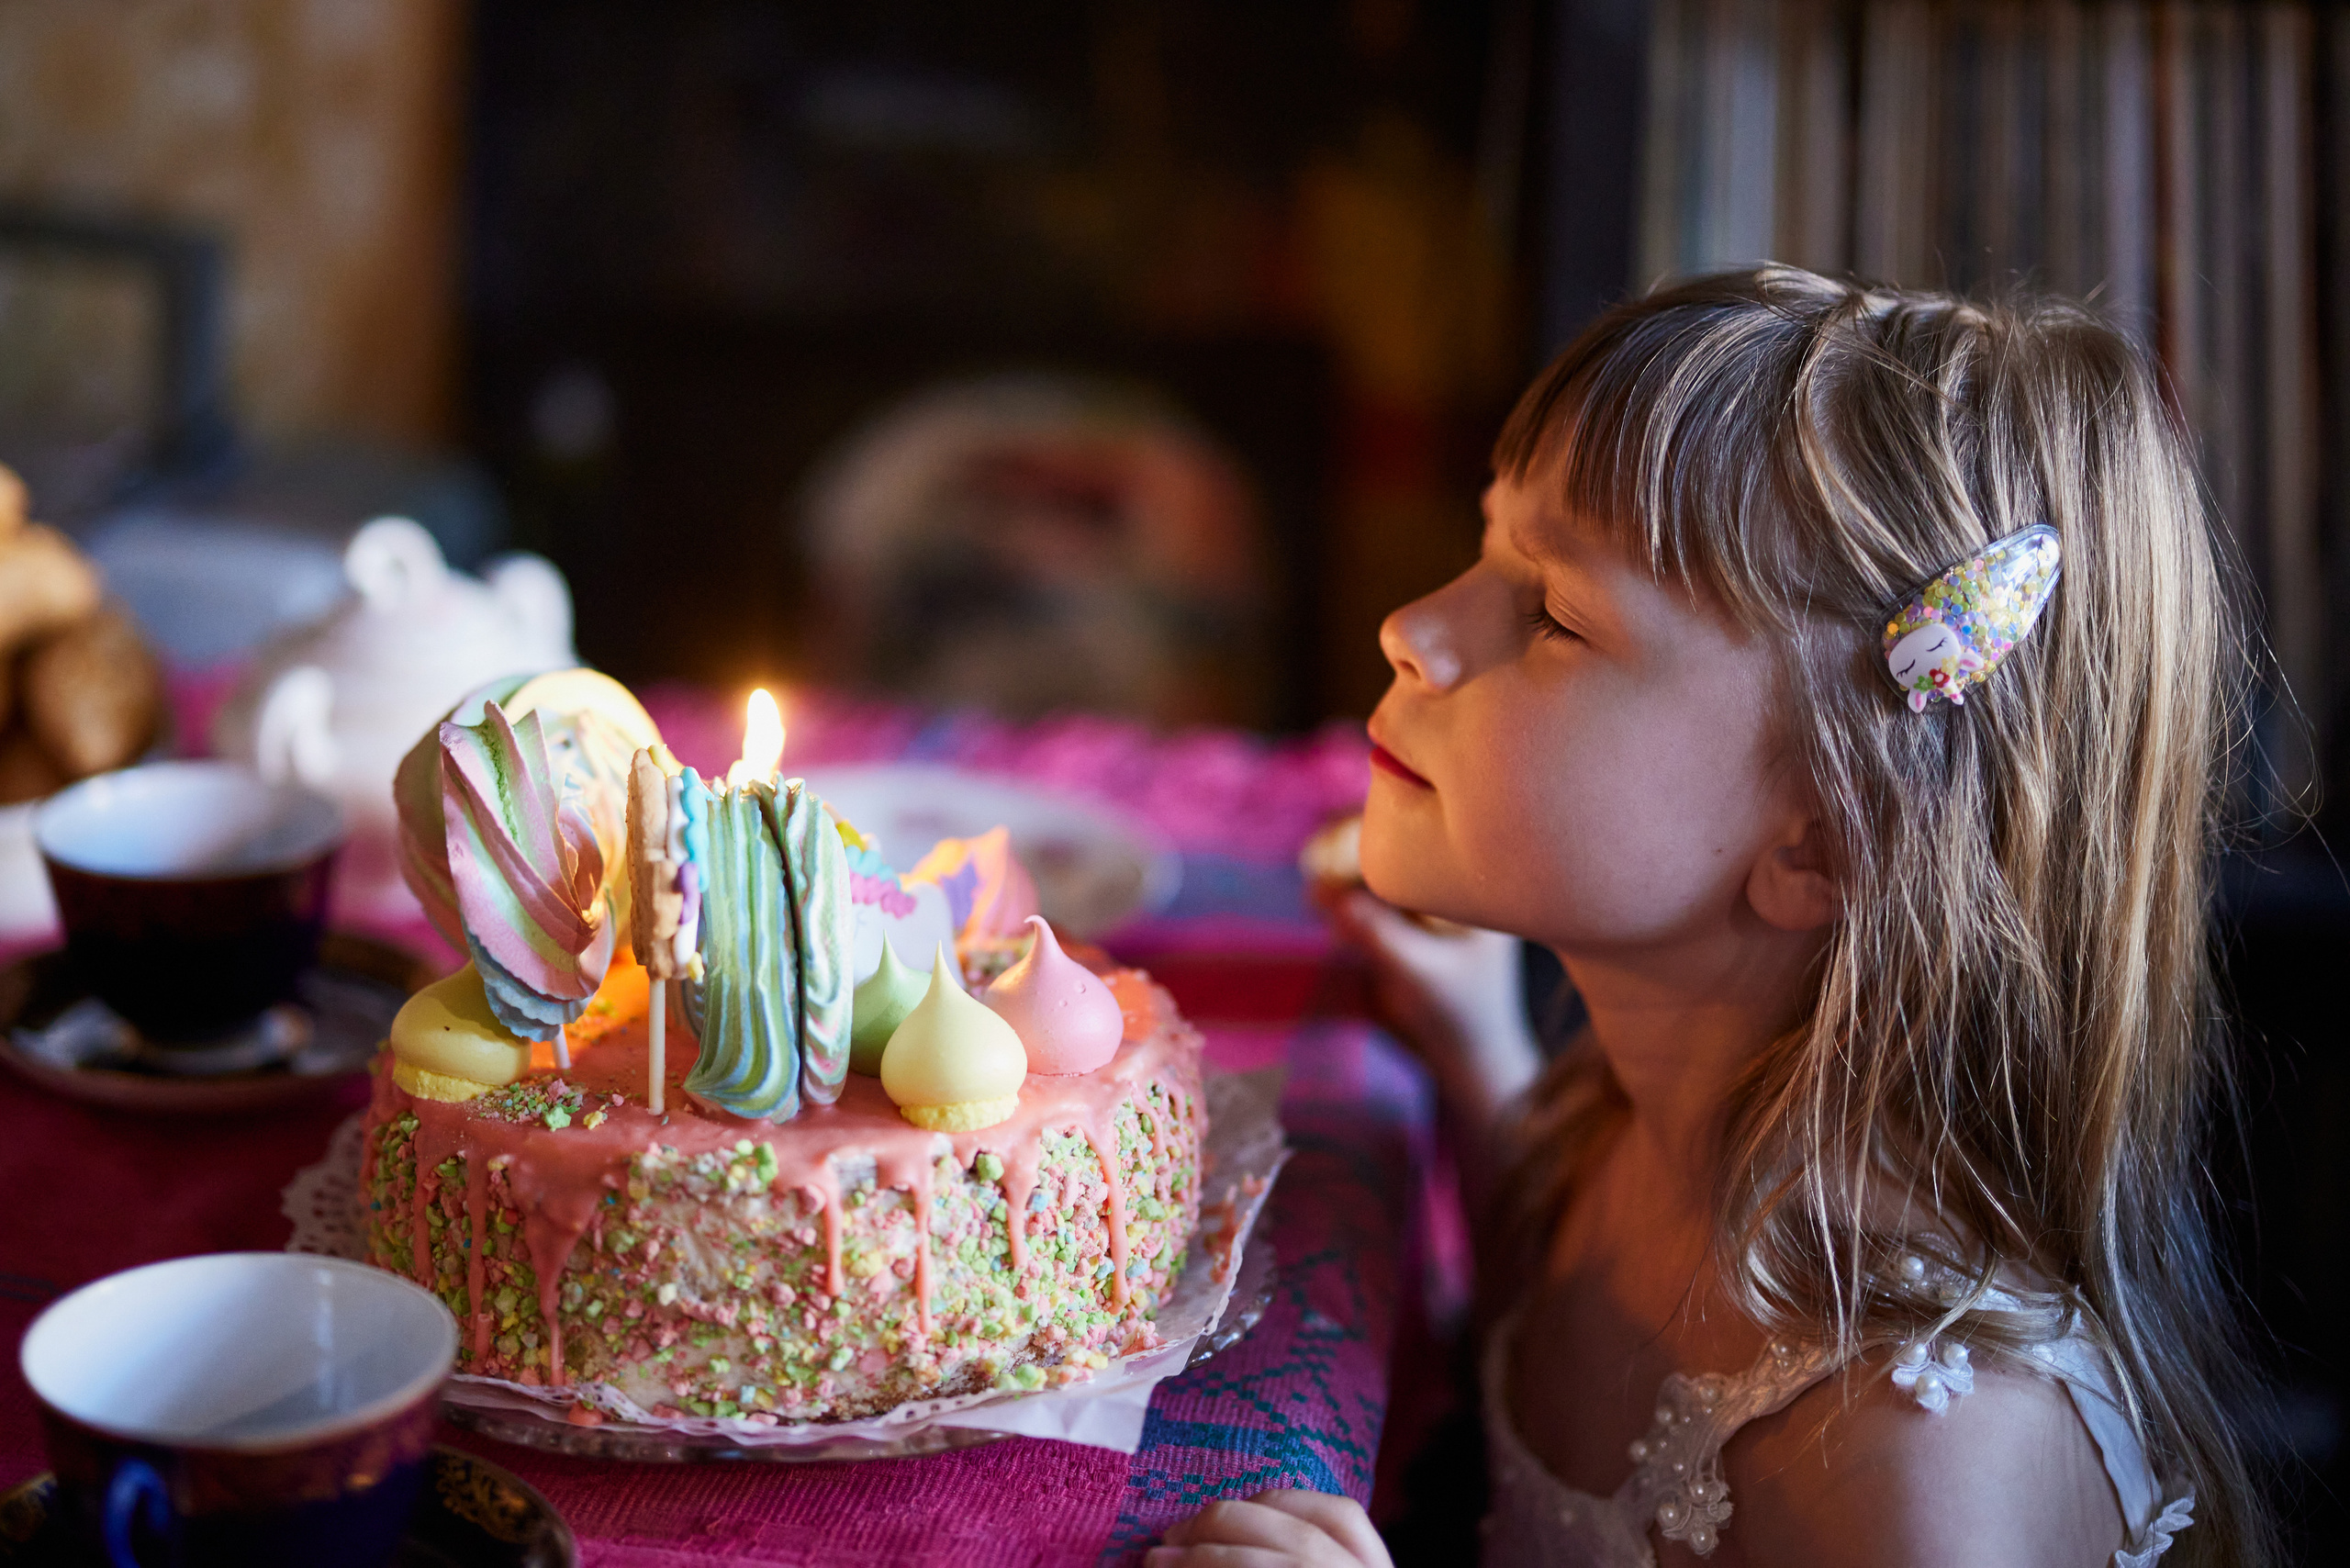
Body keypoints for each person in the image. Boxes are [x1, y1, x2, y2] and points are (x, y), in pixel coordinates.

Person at [1150, 267, 2269, 1567]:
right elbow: (1554, 1283)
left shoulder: (1910, 1468)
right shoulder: (1644, 1122)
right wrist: (1475, 1052)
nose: (1410, 630)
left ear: (1822, 843)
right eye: (1486, 546)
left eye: (1554, 615)